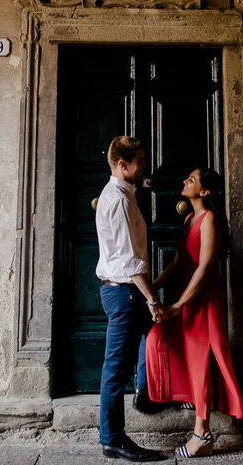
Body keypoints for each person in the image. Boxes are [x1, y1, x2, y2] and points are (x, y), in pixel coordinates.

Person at [146, 167, 243, 458]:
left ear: (203, 192)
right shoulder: (190, 218)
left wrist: (178, 306)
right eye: (187, 176)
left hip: (201, 300)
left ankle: (202, 434)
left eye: (191, 179)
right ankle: (191, 397)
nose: (184, 180)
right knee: (158, 340)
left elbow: (204, 268)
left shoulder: (209, 220)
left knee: (200, 362)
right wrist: (151, 287)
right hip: (183, 297)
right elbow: (178, 263)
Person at [95, 136, 167, 462]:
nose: (145, 166)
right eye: (139, 161)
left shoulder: (125, 194)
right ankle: (112, 439)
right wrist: (153, 299)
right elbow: (128, 261)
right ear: (122, 165)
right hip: (123, 291)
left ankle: (146, 394)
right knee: (114, 369)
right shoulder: (119, 200)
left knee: (153, 337)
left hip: (126, 290)